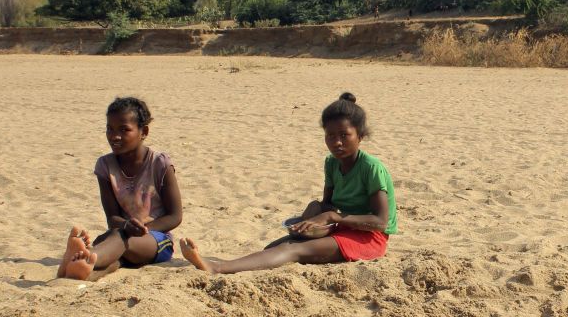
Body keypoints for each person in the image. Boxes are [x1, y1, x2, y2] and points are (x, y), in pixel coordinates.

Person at [181, 92, 396, 274]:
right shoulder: (332, 163)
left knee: (293, 251)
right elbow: (328, 205)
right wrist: (314, 215)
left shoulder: (371, 168)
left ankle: (217, 268)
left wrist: (331, 216)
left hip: (369, 238)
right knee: (274, 247)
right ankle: (226, 265)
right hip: (343, 228)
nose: (337, 142)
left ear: (360, 136)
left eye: (344, 135)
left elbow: (380, 222)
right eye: (330, 136)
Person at [58, 97, 183, 280]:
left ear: (144, 132)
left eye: (124, 130)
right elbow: (112, 217)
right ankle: (72, 274)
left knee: (117, 241)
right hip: (121, 235)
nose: (115, 136)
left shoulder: (160, 164)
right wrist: (126, 226)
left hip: (156, 241)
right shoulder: (105, 166)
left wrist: (143, 229)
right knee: (113, 260)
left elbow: (175, 216)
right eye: (110, 128)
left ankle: (88, 256)